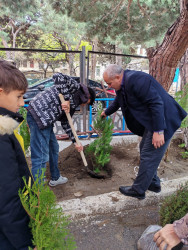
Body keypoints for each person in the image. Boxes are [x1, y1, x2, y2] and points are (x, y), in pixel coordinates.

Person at [101, 64, 187, 200]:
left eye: (109, 83)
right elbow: (119, 100)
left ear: (118, 77)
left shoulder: (137, 80)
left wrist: (159, 131)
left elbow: (156, 103)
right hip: (154, 120)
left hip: (165, 119)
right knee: (145, 149)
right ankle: (153, 183)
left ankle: (138, 190)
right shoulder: (122, 84)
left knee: (149, 153)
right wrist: (106, 112)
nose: (108, 86)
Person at [27, 72, 95, 186]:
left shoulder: (73, 105)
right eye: (87, 103)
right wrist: (67, 99)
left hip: (46, 121)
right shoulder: (75, 87)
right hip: (38, 115)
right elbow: (57, 76)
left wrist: (76, 142)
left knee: (54, 148)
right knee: (41, 155)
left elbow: (66, 123)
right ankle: (37, 190)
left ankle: (55, 177)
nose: (84, 106)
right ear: (87, 97)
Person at [0, 60, 35, 249]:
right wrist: (26, 243)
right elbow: (6, 198)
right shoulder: (1, 134)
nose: (22, 103)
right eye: (19, 96)